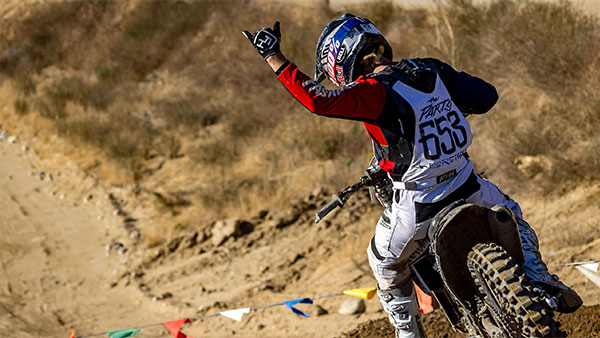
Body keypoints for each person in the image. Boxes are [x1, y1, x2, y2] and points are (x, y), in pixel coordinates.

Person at [242, 14, 582, 337]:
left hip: (420, 203)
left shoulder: (372, 89)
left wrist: (274, 56)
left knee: (383, 264)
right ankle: (540, 278)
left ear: (339, 61)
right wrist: (449, 107)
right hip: (470, 186)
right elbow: (487, 96)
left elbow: (319, 101)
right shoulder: (431, 69)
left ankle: (408, 332)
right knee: (513, 214)